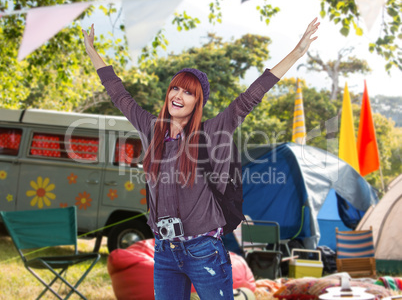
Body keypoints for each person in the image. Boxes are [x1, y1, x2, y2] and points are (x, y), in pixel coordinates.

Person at [83, 18, 319, 300]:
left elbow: (249, 98)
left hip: (203, 251)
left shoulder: (211, 132)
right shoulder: (151, 129)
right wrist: (92, 52)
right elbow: (119, 94)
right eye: (175, 88)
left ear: (197, 102)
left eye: (188, 92)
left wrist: (296, 52)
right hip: (164, 251)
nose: (178, 95)